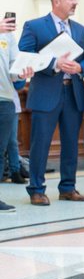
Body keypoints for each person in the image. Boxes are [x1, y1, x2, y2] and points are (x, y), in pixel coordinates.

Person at [19, 0, 84, 206]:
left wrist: (81, 66)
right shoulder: (34, 26)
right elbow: (25, 56)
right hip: (45, 93)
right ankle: (36, 189)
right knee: (40, 143)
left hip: (73, 92)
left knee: (71, 143)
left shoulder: (80, 29)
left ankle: (68, 188)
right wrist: (54, 63)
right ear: (56, 1)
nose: (75, 2)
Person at [0, 13, 33, 210]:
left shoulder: (8, 36)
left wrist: (22, 72)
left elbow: (13, 69)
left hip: (4, 99)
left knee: (0, 150)